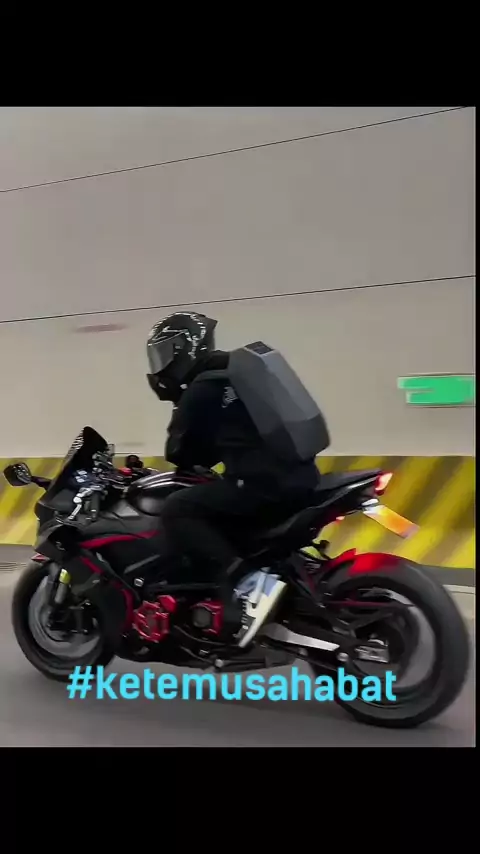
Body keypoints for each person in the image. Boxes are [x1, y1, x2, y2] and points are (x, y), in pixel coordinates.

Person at [146, 311, 322, 642]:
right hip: (302, 478)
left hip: (261, 487)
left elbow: (179, 452)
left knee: (178, 507)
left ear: (184, 350)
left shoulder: (203, 386)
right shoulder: (240, 372)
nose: (161, 364)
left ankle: (242, 581)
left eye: (165, 353)